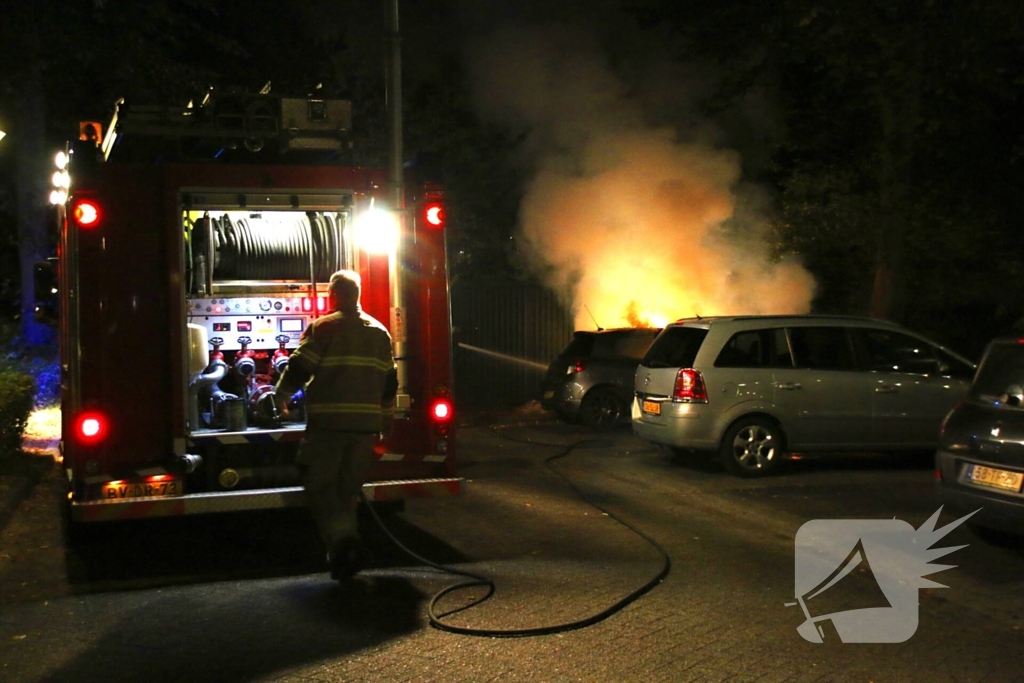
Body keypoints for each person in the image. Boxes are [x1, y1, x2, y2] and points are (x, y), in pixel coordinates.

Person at [274, 270, 397, 580]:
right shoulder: (380, 332)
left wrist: (280, 397)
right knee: (347, 491)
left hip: (329, 426)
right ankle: (345, 555)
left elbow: (299, 367)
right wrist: (386, 419)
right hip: (364, 429)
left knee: (318, 486)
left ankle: (344, 543)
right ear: (358, 295)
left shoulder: (323, 328)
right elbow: (389, 383)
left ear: (333, 295)